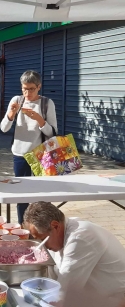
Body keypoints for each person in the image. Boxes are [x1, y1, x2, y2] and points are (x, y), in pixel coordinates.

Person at [23, 201, 125, 307]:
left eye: (42, 239)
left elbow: (65, 293)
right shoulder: (61, 234)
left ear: (55, 226)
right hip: (104, 295)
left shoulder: (81, 237)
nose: (42, 246)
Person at [0, 70, 57, 224]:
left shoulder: (46, 103)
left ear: (39, 86)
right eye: (24, 88)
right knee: (22, 195)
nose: (27, 92)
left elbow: (52, 132)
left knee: (43, 194)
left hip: (41, 154)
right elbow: (3, 128)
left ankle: (43, 227)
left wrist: (39, 120)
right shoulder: (17, 100)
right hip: (20, 154)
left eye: (31, 89)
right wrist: (11, 114)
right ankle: (23, 227)